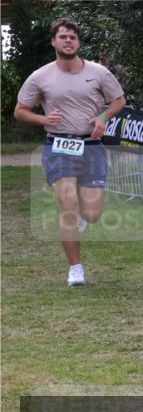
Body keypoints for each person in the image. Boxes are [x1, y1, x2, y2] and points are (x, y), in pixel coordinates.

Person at [13, 18, 125, 286]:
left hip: (91, 147)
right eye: (63, 37)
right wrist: (43, 120)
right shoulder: (40, 76)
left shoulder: (98, 72)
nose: (68, 41)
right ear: (53, 41)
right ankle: (76, 269)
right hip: (59, 146)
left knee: (92, 213)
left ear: (78, 42)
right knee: (68, 208)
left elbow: (118, 101)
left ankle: (81, 218)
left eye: (72, 37)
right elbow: (20, 111)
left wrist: (103, 118)